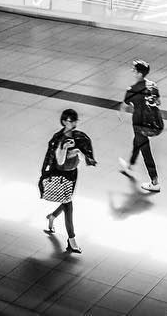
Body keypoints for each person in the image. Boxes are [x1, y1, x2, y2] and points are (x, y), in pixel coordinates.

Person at [41, 108, 96, 255]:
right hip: (61, 175)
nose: (74, 123)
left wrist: (81, 153)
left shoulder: (79, 137)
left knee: (67, 201)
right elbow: (59, 161)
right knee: (68, 206)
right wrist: (67, 149)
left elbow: (85, 159)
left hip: (72, 174)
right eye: (71, 120)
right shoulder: (58, 139)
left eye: (75, 120)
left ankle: (52, 216)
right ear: (65, 121)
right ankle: (72, 241)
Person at [118, 59, 162, 193]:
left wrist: (121, 114)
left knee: (145, 150)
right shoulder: (153, 85)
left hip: (140, 124)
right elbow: (158, 102)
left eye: (134, 70)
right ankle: (130, 165)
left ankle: (154, 181)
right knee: (137, 142)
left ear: (139, 74)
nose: (133, 72)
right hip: (156, 123)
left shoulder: (132, 90)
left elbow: (124, 106)